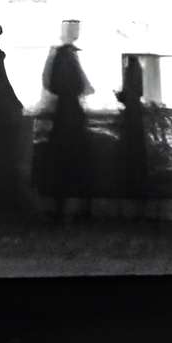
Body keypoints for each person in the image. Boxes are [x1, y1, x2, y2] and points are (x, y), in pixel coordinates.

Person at [41, 24, 97, 221]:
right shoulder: (69, 61)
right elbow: (83, 86)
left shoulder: (57, 61)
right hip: (72, 116)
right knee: (77, 161)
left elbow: (50, 84)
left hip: (61, 116)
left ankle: (61, 207)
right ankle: (79, 207)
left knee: (60, 163)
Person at [113, 54, 159, 221]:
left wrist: (120, 96)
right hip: (135, 122)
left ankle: (133, 206)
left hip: (131, 121)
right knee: (138, 162)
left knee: (131, 163)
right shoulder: (137, 66)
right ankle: (140, 207)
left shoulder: (131, 67)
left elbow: (131, 93)